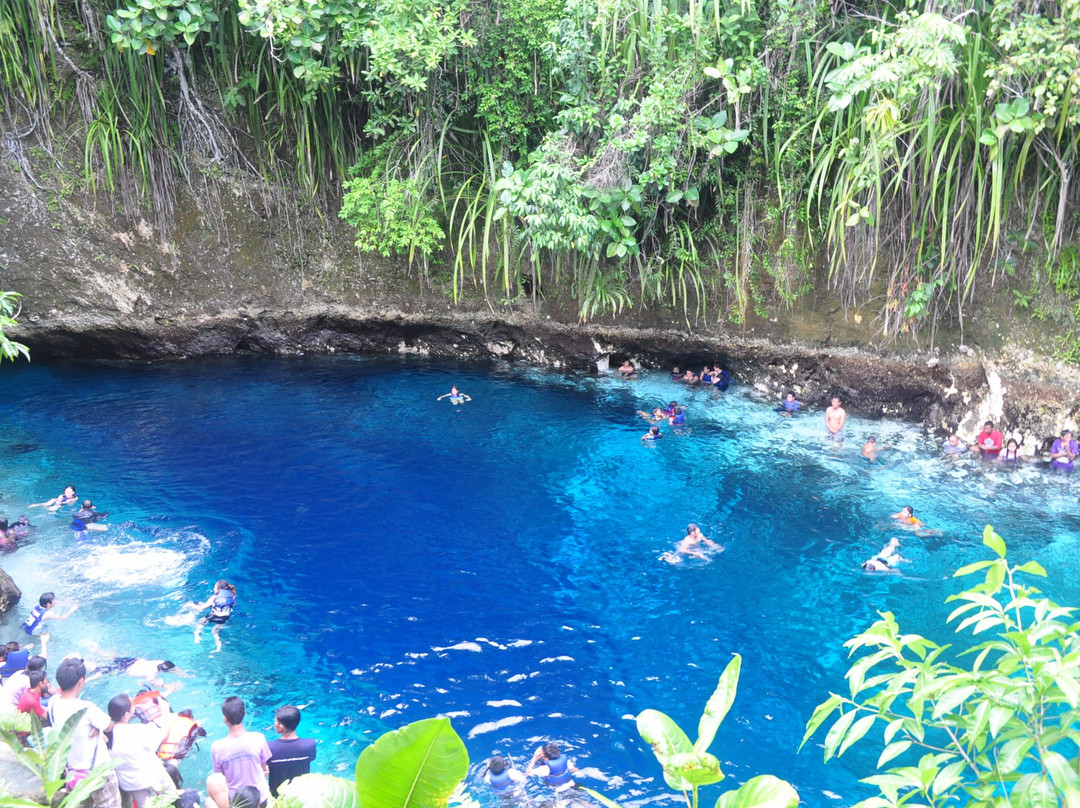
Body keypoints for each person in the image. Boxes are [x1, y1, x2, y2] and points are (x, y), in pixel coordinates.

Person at [47, 658, 122, 806]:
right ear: (81, 682)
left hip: (73, 773)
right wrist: (98, 728)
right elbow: (108, 726)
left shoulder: (53, 703)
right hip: (99, 772)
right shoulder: (86, 708)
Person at [107, 692, 174, 808]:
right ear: (127, 714)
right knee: (172, 797)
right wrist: (165, 712)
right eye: (132, 705)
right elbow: (164, 735)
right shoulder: (138, 731)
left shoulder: (105, 736)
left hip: (130, 783)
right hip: (153, 777)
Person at [206, 696, 272, 808]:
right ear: (244, 713)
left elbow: (221, 775)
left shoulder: (217, 747)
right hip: (260, 796)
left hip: (237, 799)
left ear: (224, 718)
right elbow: (264, 768)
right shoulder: (258, 738)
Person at [267, 705, 317, 797]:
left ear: (281, 727)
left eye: (275, 721)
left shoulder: (269, 748)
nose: (274, 723)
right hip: (301, 797)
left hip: (277, 798)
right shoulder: (310, 745)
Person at [190, 580, 237, 652]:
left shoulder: (214, 597)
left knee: (199, 624)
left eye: (214, 587)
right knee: (215, 633)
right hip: (224, 619)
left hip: (213, 616)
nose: (213, 589)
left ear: (218, 588)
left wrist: (191, 604)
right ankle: (218, 648)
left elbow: (201, 608)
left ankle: (197, 636)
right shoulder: (232, 597)